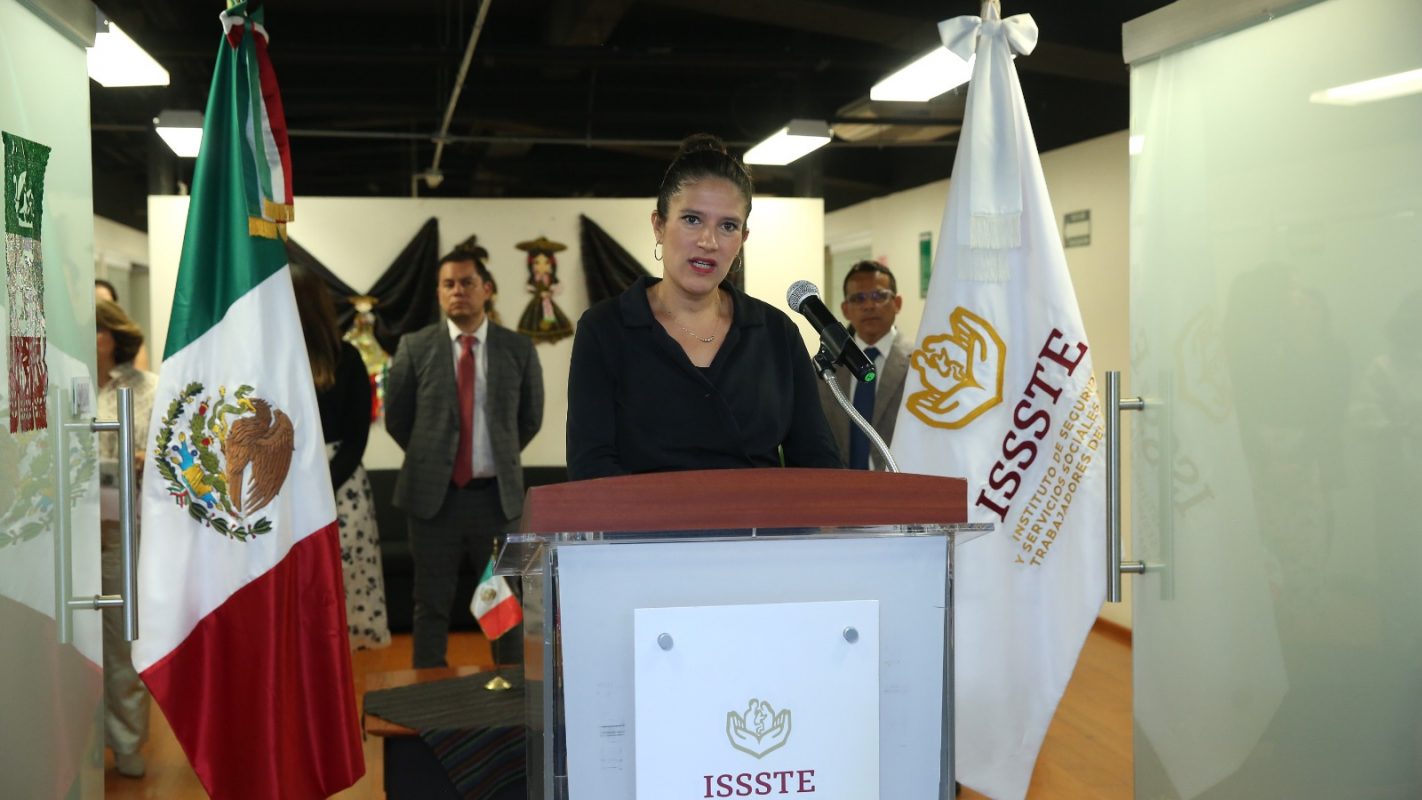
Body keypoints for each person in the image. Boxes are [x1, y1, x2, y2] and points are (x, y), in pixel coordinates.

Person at [566, 133, 840, 479]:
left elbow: (818, 461)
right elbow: (590, 466)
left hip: (761, 516)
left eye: (728, 226)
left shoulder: (776, 332)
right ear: (659, 225)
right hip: (640, 516)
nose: (708, 241)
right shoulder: (605, 328)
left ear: (742, 239)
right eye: (692, 219)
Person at [385, 250, 545, 668]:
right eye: (449, 284)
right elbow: (397, 419)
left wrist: (493, 456)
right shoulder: (414, 347)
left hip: (495, 501)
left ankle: (508, 693)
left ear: (486, 289)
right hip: (432, 502)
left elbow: (530, 419)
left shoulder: (518, 348)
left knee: (502, 602)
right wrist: (434, 458)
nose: (458, 291)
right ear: (439, 293)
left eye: (467, 282)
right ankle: (428, 695)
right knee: (430, 604)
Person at [292, 268, 391, 650]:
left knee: (344, 580)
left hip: (339, 486)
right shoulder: (274, 357)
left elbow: (356, 437)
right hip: (285, 481)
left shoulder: (346, 358)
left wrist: (319, 484)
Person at [95, 299, 158, 778]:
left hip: (123, 528)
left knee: (122, 640)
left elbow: (169, 456)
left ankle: (128, 742)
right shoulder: (57, 382)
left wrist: (142, 459)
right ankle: (78, 744)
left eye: (95, 329)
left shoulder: (146, 389)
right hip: (66, 530)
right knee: (67, 643)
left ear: (111, 337)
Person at [816, 261, 914, 470]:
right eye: (858, 298)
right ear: (845, 309)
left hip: (901, 482)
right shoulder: (825, 367)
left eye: (879, 296)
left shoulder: (920, 363)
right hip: (839, 486)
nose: (869, 305)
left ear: (897, 303)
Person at [94, 280, 150, 371]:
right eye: (95, 301)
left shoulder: (129, 340)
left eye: (106, 302)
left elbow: (138, 374)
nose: (100, 306)